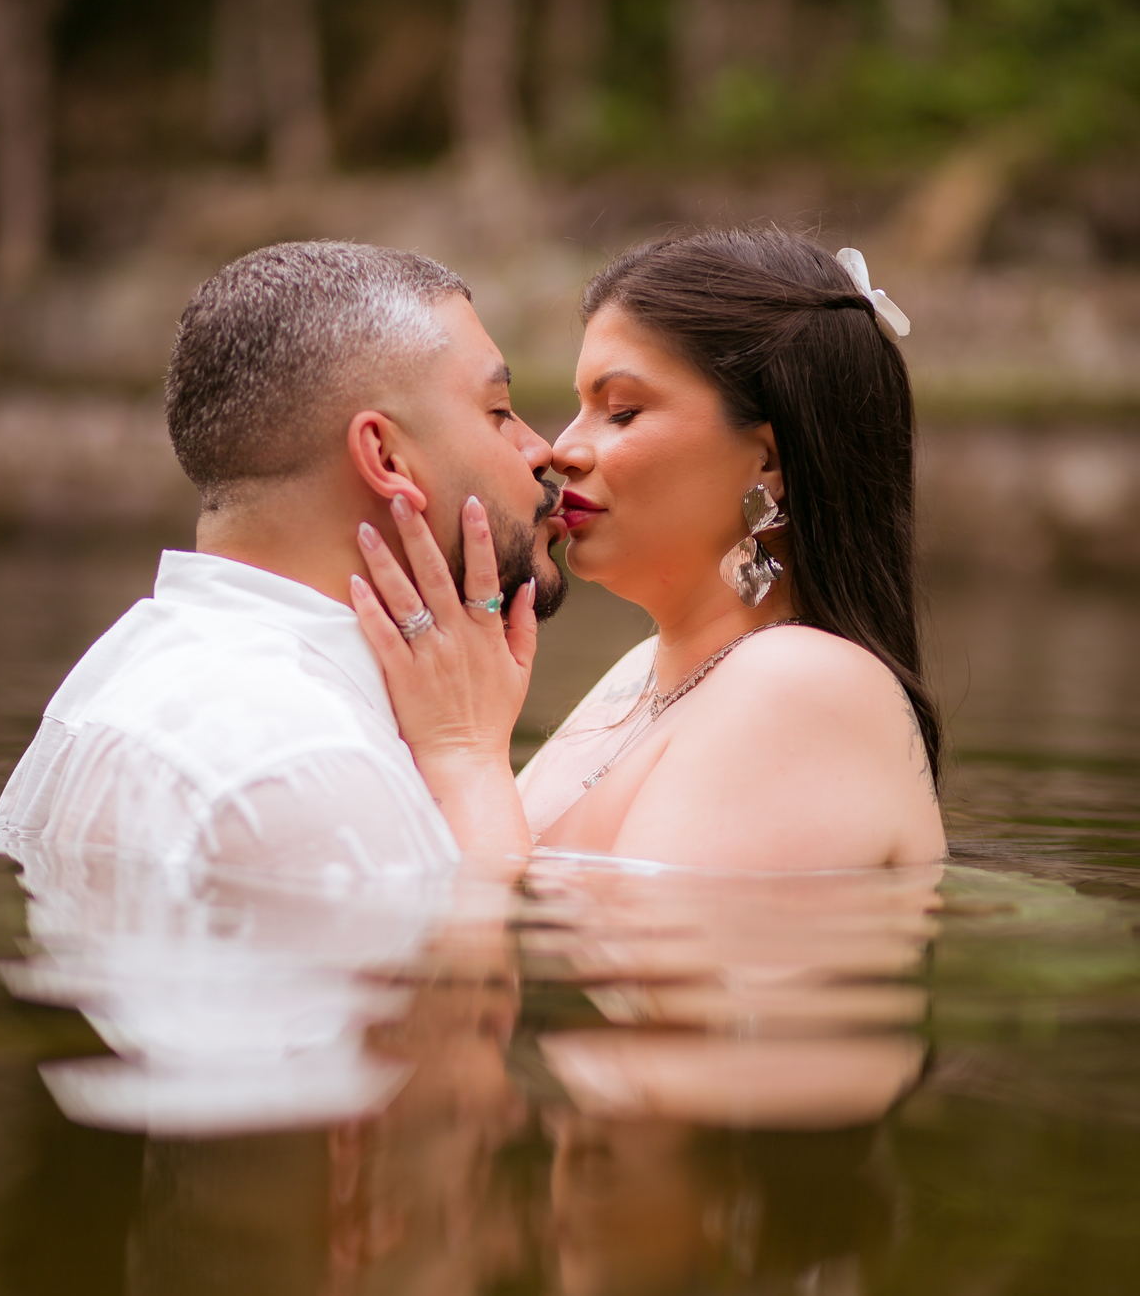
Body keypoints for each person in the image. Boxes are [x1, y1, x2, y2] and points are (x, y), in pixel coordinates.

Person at [351, 227, 947, 871]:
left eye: (623, 411)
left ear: (769, 461)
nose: (561, 450)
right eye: (581, 408)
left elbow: (630, 959)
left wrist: (464, 751)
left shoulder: (800, 684)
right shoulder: (646, 670)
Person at [0, 239, 567, 879]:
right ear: (384, 459)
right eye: (498, 413)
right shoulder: (306, 765)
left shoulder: (110, 678)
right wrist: (472, 762)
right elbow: (468, 979)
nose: (541, 449)